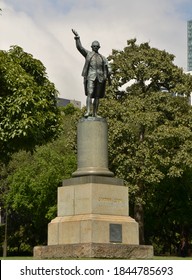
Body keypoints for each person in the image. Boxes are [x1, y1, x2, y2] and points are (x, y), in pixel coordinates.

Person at [72, 29, 110, 117]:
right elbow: (80, 48)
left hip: (100, 78)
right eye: (94, 46)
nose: (95, 48)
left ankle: (95, 113)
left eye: (97, 46)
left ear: (99, 47)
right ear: (91, 47)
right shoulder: (88, 54)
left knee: (97, 96)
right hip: (91, 76)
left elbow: (108, 65)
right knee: (90, 93)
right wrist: (77, 38)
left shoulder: (102, 57)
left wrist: (108, 72)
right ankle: (88, 111)